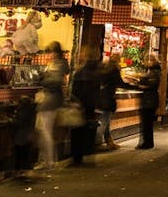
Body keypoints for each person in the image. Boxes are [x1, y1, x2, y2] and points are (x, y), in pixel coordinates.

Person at [34, 40, 69, 170]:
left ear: (57, 52)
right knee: (43, 131)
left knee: (45, 131)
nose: (50, 55)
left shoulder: (59, 65)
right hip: (48, 99)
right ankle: (44, 159)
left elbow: (54, 82)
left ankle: (49, 161)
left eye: (52, 52)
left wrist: (42, 77)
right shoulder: (55, 64)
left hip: (51, 100)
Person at [69, 46, 103, 166]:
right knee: (87, 129)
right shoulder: (97, 71)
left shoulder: (82, 71)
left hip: (80, 104)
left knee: (77, 131)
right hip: (90, 105)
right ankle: (86, 154)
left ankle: (77, 157)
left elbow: (78, 90)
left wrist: (75, 102)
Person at [98, 53, 124, 149]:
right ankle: (93, 142)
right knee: (104, 121)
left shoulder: (106, 68)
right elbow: (120, 83)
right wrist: (136, 86)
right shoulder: (114, 70)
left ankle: (109, 142)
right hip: (108, 99)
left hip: (102, 97)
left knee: (106, 121)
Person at [136, 54, 161, 149]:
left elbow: (152, 84)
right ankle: (148, 142)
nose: (146, 62)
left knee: (147, 123)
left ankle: (147, 143)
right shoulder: (153, 71)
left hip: (149, 100)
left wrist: (140, 84)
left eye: (148, 60)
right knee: (147, 123)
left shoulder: (154, 71)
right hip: (150, 99)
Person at [10, 95, 37, 173]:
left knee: (20, 154)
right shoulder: (32, 110)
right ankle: (26, 170)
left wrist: (10, 121)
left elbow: (19, 123)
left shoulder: (23, 111)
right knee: (26, 154)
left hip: (21, 136)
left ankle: (19, 170)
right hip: (28, 135)